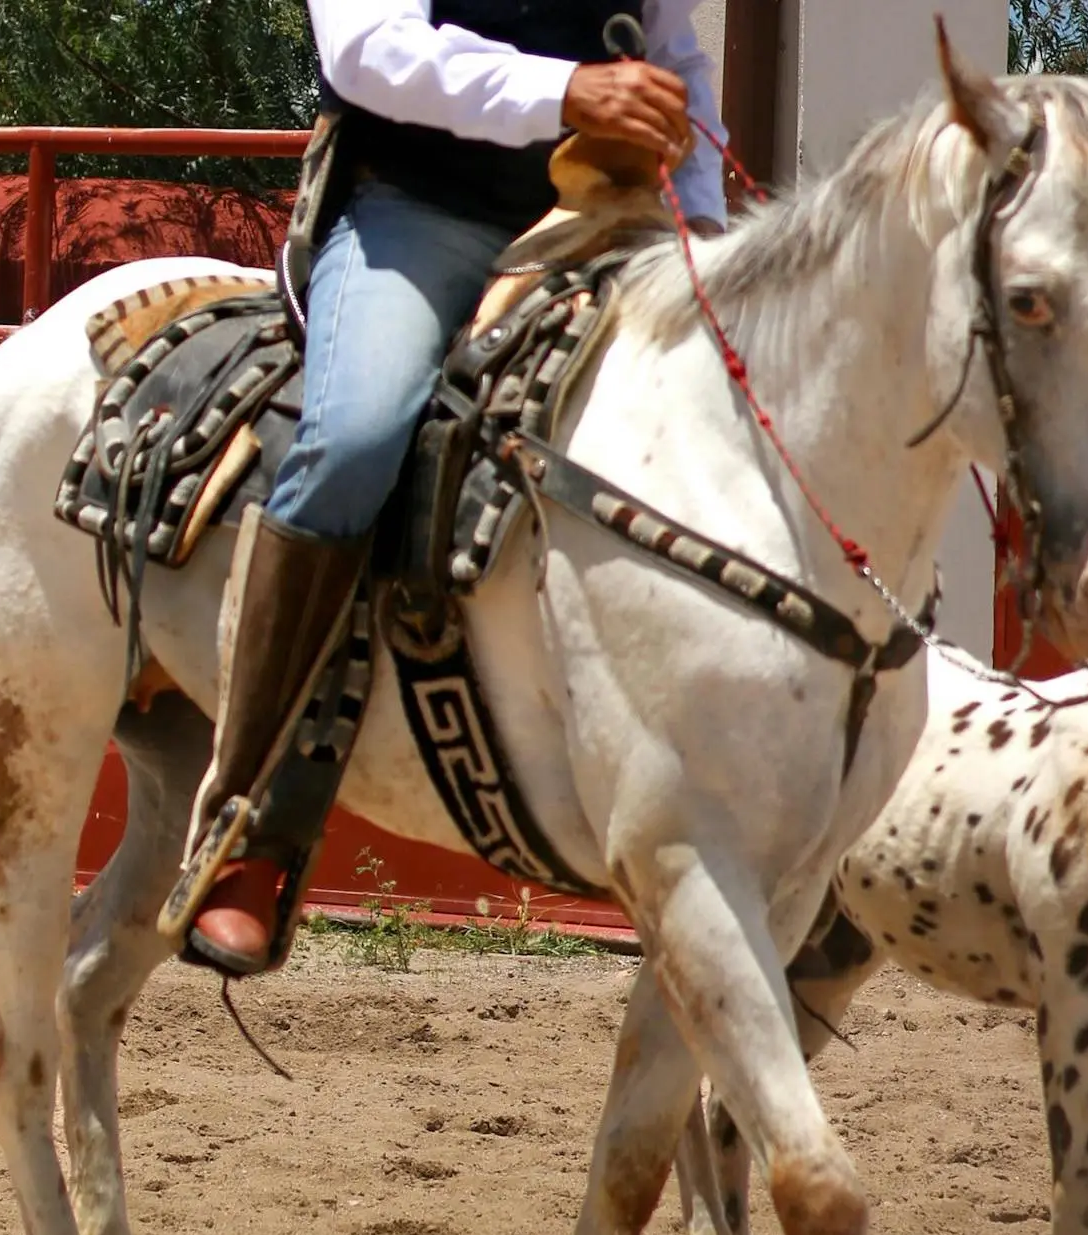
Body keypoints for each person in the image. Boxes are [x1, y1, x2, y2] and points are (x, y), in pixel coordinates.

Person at [178, 1, 731, 975]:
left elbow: (678, 61)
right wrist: (565, 90)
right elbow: (368, 52)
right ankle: (247, 830)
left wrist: (706, 232)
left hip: (599, 220)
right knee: (357, 438)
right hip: (415, 210)